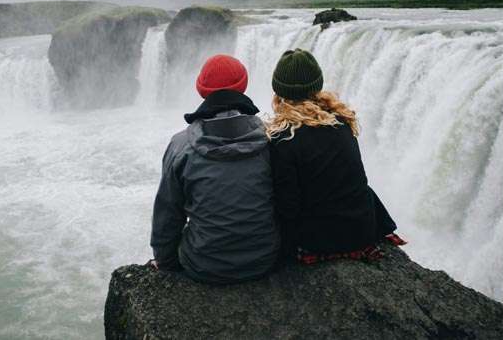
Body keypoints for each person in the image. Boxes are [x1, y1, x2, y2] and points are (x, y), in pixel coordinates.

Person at [266, 49, 405, 265]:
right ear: (316, 86)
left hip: (320, 240)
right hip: (362, 230)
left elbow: (288, 207)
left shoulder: (283, 140)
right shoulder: (341, 122)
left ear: (279, 92)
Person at [150, 54, 280, 283]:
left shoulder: (181, 146)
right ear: (243, 87)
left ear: (201, 90)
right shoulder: (271, 140)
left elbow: (168, 214)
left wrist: (166, 261)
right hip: (265, 260)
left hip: (204, 264)